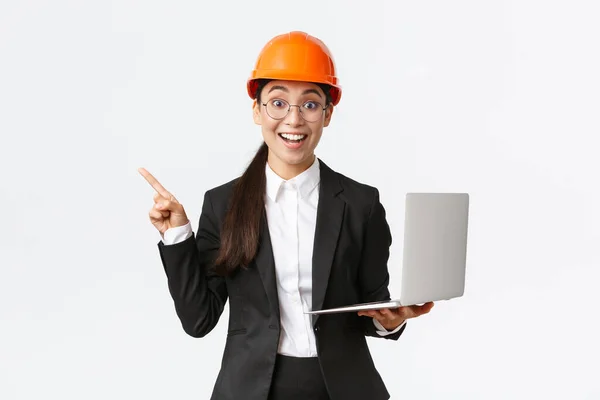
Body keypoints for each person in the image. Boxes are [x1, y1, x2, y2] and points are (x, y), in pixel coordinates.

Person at [139, 31, 434, 400]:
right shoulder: (223, 205)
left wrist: (389, 322)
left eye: (309, 105)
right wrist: (177, 235)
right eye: (278, 103)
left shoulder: (361, 204)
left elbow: (373, 302)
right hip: (253, 389)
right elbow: (199, 320)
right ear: (257, 110)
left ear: (327, 115)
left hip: (342, 388)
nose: (293, 119)